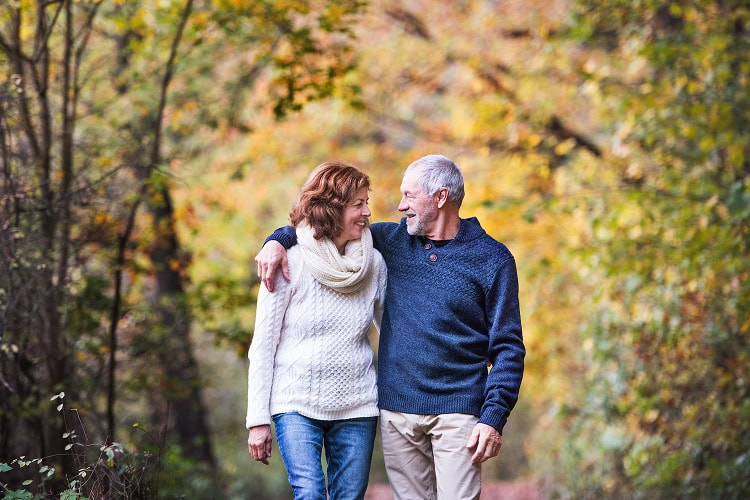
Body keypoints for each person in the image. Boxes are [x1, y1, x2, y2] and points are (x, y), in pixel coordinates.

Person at [256, 154, 525, 500]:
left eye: (409, 196)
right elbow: (322, 227)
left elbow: (508, 348)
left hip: (459, 410)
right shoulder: (389, 242)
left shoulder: (493, 259)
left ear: (440, 197)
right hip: (398, 411)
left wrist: (493, 416)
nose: (400, 207)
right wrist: (276, 240)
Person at [246, 161, 388, 500]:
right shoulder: (287, 262)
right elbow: (263, 345)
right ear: (333, 207)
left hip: (358, 404)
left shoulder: (374, 265)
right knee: (309, 493)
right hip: (295, 402)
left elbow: (393, 333)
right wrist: (257, 420)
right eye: (359, 204)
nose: (368, 212)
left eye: (367, 202)